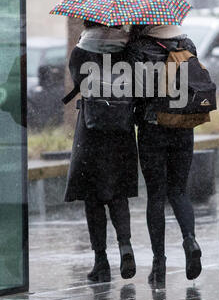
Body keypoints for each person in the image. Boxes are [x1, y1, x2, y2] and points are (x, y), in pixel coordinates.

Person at [128, 24, 202, 286]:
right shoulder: (187, 44)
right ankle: (190, 240)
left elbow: (135, 91)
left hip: (153, 128)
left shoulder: (139, 48)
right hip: (184, 127)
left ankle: (159, 263)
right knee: (179, 191)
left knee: (156, 196)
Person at [64, 21, 138, 283]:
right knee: (117, 193)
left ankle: (101, 262)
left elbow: (79, 84)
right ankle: (125, 246)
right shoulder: (128, 48)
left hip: (92, 130)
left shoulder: (81, 50)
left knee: (92, 197)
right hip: (121, 131)